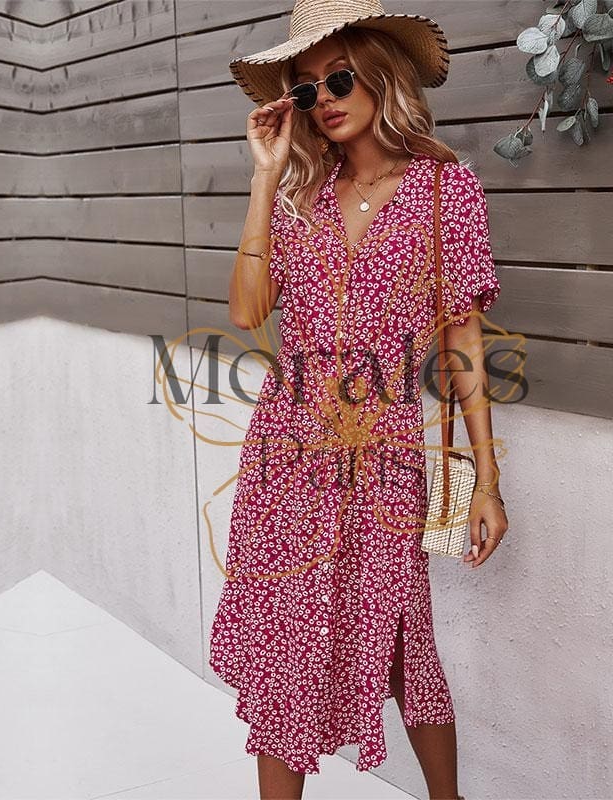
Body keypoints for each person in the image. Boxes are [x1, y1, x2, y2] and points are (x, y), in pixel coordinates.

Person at [210, 1, 508, 798]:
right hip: (286, 453)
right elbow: (246, 311)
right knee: (285, 641)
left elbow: (462, 342)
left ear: (381, 73)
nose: (325, 100)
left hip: (384, 452)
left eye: (339, 78)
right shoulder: (298, 195)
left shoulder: (444, 190)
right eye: (306, 89)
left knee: (405, 639)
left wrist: (487, 480)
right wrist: (264, 177)